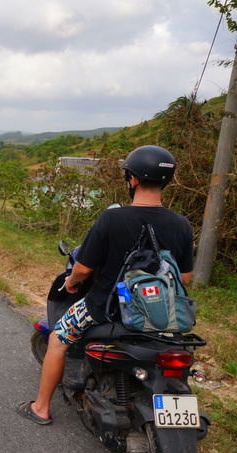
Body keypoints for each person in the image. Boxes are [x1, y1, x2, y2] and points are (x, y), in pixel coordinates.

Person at [16, 145, 194, 425]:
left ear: (132, 179)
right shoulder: (181, 224)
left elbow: (84, 268)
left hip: (104, 309)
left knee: (57, 338)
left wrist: (72, 283)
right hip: (163, 315)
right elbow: (184, 279)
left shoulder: (113, 217)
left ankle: (41, 407)